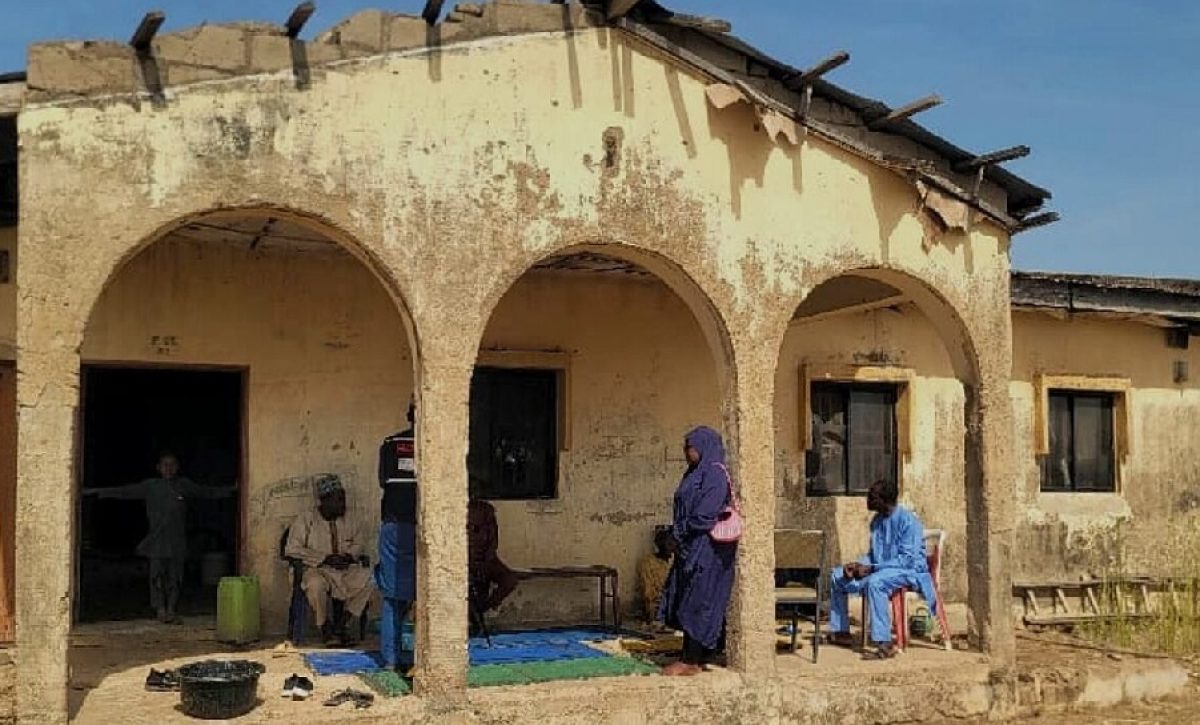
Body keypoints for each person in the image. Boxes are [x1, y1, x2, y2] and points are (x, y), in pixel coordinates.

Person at [85, 452, 235, 624]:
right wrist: (97, 492)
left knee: (175, 577)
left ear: (177, 468)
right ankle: (160, 610)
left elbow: (206, 492)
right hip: (157, 540)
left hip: (177, 541)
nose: (168, 468)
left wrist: (230, 490)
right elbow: (125, 491)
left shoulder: (184, 485)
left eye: (172, 464)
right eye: (165, 465)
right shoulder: (150, 486)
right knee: (156, 577)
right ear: (158, 468)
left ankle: (171, 609)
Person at [658, 426, 738, 676]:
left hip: (708, 550)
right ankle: (701, 653)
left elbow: (704, 515)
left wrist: (677, 533)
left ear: (703, 446)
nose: (686, 452)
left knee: (700, 600)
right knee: (687, 597)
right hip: (690, 547)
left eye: (690, 446)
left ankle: (691, 660)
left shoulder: (714, 474)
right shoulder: (694, 473)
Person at [827, 479, 936, 659]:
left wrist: (871, 568)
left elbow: (906, 560)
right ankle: (841, 632)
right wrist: (857, 565)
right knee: (837, 575)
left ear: (885, 500)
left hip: (909, 571)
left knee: (876, 583)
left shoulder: (909, 522)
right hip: (882, 568)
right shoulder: (877, 521)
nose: (867, 500)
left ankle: (884, 644)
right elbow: (873, 554)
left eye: (872, 497)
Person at [285, 475, 374, 645]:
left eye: (343, 499)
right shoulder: (306, 519)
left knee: (372, 578)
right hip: (317, 569)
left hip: (344, 569)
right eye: (338, 500)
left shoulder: (352, 519)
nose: (343, 504)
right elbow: (291, 549)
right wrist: (324, 559)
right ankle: (325, 626)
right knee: (315, 584)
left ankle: (342, 625)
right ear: (324, 501)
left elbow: (359, 542)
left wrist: (348, 556)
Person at [376, 402, 418, 670]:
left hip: (394, 526)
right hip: (425, 527)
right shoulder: (439, 446)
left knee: (392, 595)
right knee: (422, 594)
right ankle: (417, 658)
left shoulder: (391, 443)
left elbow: (383, 481)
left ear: (409, 416)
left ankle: (391, 660)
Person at [467, 475, 518, 620]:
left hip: (486, 560)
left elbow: (493, 539)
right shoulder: (456, 510)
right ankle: (472, 615)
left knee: (509, 579)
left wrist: (487, 560)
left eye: (476, 490)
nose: (473, 494)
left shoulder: (486, 510)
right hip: (464, 562)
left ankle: (484, 608)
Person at [637, 525, 674, 618]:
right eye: (668, 544)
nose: (671, 547)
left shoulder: (674, 562)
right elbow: (648, 592)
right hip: (657, 604)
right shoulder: (647, 563)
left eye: (672, 543)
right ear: (660, 545)